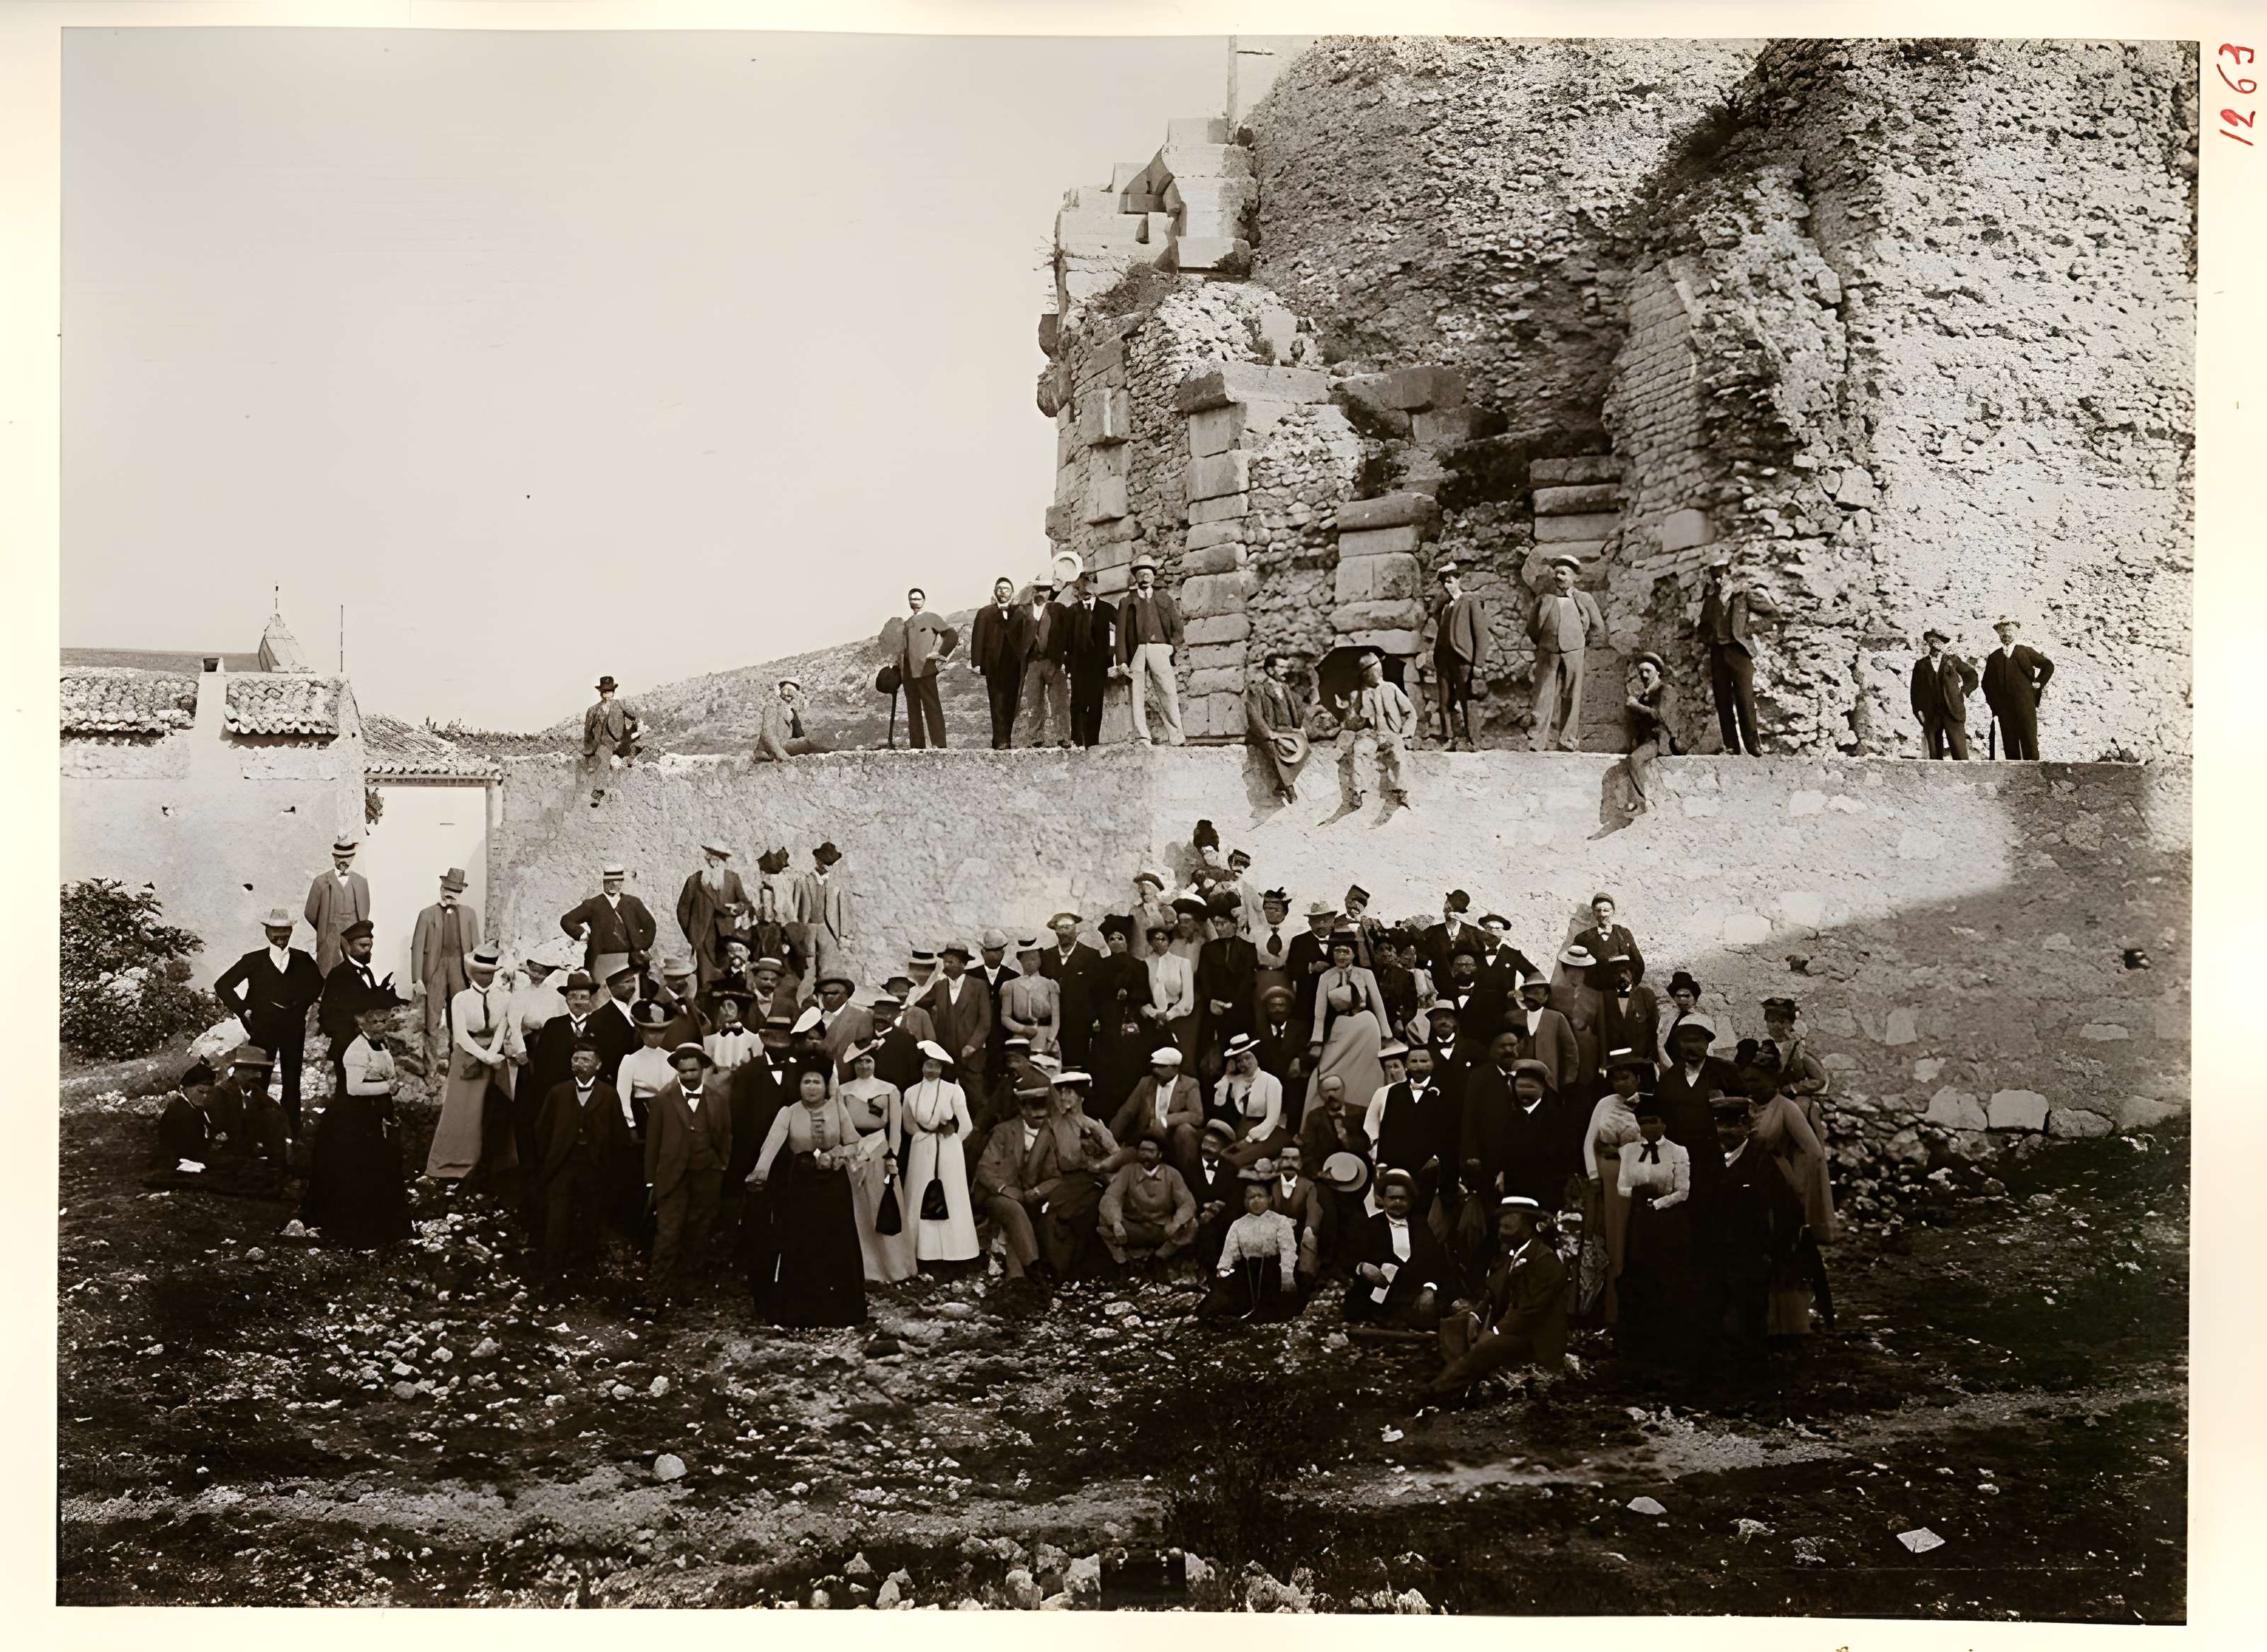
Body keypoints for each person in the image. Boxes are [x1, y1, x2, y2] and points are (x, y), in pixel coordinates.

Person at [749, 1060, 869, 1326]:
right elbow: (771, 1146)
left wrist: (836, 1154)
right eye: (806, 1082)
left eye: (817, 1082)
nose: (812, 1088)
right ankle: (803, 1310)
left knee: (836, 1242)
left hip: (834, 1189)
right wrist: (760, 1173)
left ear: (826, 1086)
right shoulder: (788, 1112)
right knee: (802, 1243)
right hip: (801, 1189)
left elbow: (854, 1143)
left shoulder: (838, 1109)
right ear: (798, 1086)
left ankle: (840, 1310)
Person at [1423, 1197, 1568, 1398]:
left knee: (1489, 1347)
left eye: (1511, 1216)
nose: (1503, 1222)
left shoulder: (1545, 1260)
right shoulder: (1509, 1255)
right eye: (1501, 1216)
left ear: (1528, 1222)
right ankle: (1462, 1380)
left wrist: (1495, 1331)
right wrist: (1476, 1315)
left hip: (1534, 1339)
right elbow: (1492, 1292)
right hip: (1511, 1326)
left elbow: (1530, 1312)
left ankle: (1435, 1391)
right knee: (1454, 1325)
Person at [302, 996, 412, 1248]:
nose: (380, 1026)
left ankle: (383, 1223)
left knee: (381, 1166)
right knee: (357, 1168)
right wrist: (388, 1087)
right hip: (354, 1117)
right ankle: (355, 1225)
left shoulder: (382, 1046)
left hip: (377, 1113)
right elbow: (353, 1088)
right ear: (363, 1023)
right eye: (375, 1021)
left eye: (385, 1020)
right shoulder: (356, 1050)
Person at [1705, 1097, 1806, 1367]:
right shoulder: (1707, 1159)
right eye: (1719, 1126)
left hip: (1751, 1248)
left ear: (1746, 1126)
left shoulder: (1762, 1162)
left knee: (1751, 1304)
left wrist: (1779, 1248)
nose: (1725, 1133)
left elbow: (1789, 1208)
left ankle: (1753, 1361)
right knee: (1716, 1301)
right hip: (1714, 1247)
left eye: (1732, 1126)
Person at [213, 907, 325, 1136]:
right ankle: (256, 1128)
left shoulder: (303, 959)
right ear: (267, 931)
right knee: (258, 1079)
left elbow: (317, 984)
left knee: (292, 1080)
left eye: (285, 930)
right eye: (276, 930)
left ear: (292, 930)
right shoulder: (253, 961)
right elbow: (223, 985)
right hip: (262, 1028)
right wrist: (244, 1011)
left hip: (293, 1028)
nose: (281, 936)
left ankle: (291, 1129)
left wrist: (301, 1006)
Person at [528, 1038, 630, 1281]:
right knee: (557, 1223)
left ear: (598, 1065)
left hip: (594, 1169)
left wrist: (608, 1168)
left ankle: (586, 1278)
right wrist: (550, 1160)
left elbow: (619, 1137)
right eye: (576, 1059)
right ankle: (552, 1279)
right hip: (562, 1168)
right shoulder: (558, 1093)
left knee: (591, 1222)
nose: (580, 1064)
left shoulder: (608, 1096)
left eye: (586, 1060)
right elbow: (542, 1132)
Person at [425, 946, 521, 1187]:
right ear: (470, 974)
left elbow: (503, 1027)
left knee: (497, 1106)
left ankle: (497, 1162)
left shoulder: (506, 997)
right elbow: (460, 1036)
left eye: (489, 972)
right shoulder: (461, 999)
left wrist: (493, 1053)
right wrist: (484, 1057)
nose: (485, 977)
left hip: (494, 1056)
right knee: (464, 1109)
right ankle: (453, 1162)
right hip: (468, 1057)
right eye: (480, 972)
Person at [1615, 1094, 1695, 1365]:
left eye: (1655, 1121)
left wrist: (1657, 1203)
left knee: (1669, 1273)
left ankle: (1671, 1338)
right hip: (1639, 1221)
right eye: (1644, 1121)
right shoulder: (1627, 1151)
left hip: (1669, 1220)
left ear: (1664, 1124)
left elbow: (1683, 1191)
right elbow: (1622, 1186)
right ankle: (1641, 1338)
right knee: (1639, 1271)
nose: (1649, 1127)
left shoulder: (1678, 1151)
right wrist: (1637, 1196)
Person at [1024, 1070, 1123, 1276]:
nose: (1064, 1098)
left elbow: (1117, 1158)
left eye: (1070, 1093)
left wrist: (1098, 1163)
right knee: (1053, 1215)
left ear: (1081, 1096)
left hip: (1093, 1183)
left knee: (1090, 1212)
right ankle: (1057, 1270)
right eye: (1061, 1093)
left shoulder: (1094, 1126)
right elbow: (1034, 1164)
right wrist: (1031, 1185)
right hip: (1064, 1182)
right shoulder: (1053, 1124)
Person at [1578, 1051, 1649, 1324]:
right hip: (1610, 1177)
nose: (1621, 1084)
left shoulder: (1649, 1106)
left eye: (1626, 1078)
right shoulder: (1605, 1104)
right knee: (1612, 1239)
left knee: (1636, 1238)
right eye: (1616, 1079)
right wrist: (1594, 1176)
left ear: (1638, 1079)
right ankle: (1610, 1312)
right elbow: (1589, 1142)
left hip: (1639, 1177)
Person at [837, 1043, 915, 1284]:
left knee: (883, 1205)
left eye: (868, 1060)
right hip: (854, 1152)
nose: (863, 1065)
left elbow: (896, 1128)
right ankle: (861, 1267)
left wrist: (893, 1155)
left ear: (875, 1062)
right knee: (856, 1208)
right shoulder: (842, 1090)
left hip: (880, 1151)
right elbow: (841, 1126)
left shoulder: (889, 1089)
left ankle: (892, 1267)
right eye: (859, 1061)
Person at [1462, 1048, 1576, 1212]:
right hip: (1514, 1189)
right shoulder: (1513, 1116)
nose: (1525, 1092)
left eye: (1530, 1086)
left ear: (1543, 1088)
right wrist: (1502, 1172)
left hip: (1546, 1188)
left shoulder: (1556, 1117)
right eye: (1520, 1086)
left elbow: (1563, 1155)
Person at [900, 1042, 979, 1266]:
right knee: (919, 1194)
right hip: (921, 1150)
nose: (932, 1070)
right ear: (922, 1067)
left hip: (947, 1152)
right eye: (928, 1065)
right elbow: (908, 1123)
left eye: (936, 1066)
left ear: (943, 1068)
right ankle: (921, 1251)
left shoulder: (953, 1090)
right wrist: (922, 1137)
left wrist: (951, 1144)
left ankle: (955, 1251)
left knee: (951, 1195)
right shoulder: (910, 1092)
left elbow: (966, 1125)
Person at [1344, 1169, 1452, 1329]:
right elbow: (1347, 1257)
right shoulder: (1368, 1226)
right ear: (1383, 1200)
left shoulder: (1422, 1227)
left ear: (1410, 1201)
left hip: (1413, 1297)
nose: (1397, 1203)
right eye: (1392, 1198)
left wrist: (1430, 1289)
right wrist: (1362, 1267)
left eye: (1402, 1199)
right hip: (1377, 1298)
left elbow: (1438, 1264)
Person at [1304, 933, 1388, 1128]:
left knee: (1369, 1074)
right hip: (1340, 1028)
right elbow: (1320, 1012)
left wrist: (1387, 1036)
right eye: (1338, 951)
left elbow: (1379, 1006)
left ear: (1353, 954)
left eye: (1346, 952)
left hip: (1366, 1028)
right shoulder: (1326, 976)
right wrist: (1316, 1041)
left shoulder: (1366, 974)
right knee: (1324, 1071)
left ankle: (1368, 1122)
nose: (1341, 956)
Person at [1697, 558, 1778, 755]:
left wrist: (1750, 630)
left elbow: (1773, 615)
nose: (1719, 578)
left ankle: (1753, 745)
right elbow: (1703, 625)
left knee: (1744, 697)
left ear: (1729, 573)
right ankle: (1731, 746)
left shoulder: (1743, 594)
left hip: (1739, 651)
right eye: (1715, 573)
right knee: (1722, 700)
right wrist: (1708, 638)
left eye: (1723, 573)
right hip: (1717, 652)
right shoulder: (1710, 598)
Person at [973, 1083, 1054, 1281]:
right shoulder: (1003, 1131)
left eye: (1044, 1113)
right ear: (1023, 1109)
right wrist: (1004, 1188)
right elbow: (984, 1168)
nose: (1040, 1116)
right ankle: (1033, 1266)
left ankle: (1017, 1277)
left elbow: (1056, 1176)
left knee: (1022, 1219)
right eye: (1035, 1111)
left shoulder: (1052, 1134)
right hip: (997, 1195)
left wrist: (1037, 1192)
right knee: (1014, 1209)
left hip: (1033, 1194)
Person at [1367, 1041, 1457, 1218]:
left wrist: (1439, 1159)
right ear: (1407, 1066)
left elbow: (1450, 1131)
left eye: (1424, 1061)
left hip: (1430, 1166)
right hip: (1398, 1164)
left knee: (1424, 1214)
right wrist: (1383, 1162)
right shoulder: (1395, 1092)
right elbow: (1387, 1127)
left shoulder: (1446, 1092)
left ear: (1433, 1064)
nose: (1419, 1066)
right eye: (1414, 1061)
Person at [1527, 553, 1606, 752]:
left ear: (1574, 577)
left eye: (1563, 573)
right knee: (1543, 696)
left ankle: (1567, 741)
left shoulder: (1584, 599)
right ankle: (1537, 741)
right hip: (1548, 652)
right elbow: (1532, 627)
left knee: (1572, 695)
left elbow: (1598, 627)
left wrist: (1580, 643)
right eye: (1556, 573)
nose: (1559, 577)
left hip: (1574, 653)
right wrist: (1544, 643)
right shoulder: (1544, 599)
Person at [1201, 1170, 1301, 1321]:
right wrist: (1224, 1269)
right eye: (1250, 1197)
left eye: (1260, 1197)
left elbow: (1288, 1249)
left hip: (1273, 1270)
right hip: (1246, 1270)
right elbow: (1230, 1251)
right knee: (1218, 1305)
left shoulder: (1280, 1222)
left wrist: (1287, 1274)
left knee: (1277, 1307)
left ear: (1270, 1199)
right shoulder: (1238, 1224)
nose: (1255, 1201)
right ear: (1244, 1202)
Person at [317, 919, 395, 1099]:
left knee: (368, 1097)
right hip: (347, 1048)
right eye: (363, 946)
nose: (368, 950)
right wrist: (346, 1037)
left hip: (367, 1047)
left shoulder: (367, 973)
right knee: (347, 1097)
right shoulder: (338, 975)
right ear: (349, 947)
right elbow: (326, 1015)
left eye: (370, 946)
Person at [1114, 557, 1187, 746]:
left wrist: (1172, 646)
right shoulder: (1127, 601)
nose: (1145, 577)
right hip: (1138, 650)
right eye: (1141, 574)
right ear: (1135, 577)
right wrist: (1122, 660)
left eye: (1148, 574)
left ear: (1154, 577)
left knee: (1168, 690)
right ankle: (1142, 735)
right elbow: (1120, 633)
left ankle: (1177, 736)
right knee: (1136, 693)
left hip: (1160, 649)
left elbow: (1178, 628)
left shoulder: (1164, 599)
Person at [1107, 1046, 1204, 1182]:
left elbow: (1197, 1116)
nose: (1155, 1070)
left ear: (1175, 1068)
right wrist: (1109, 1136)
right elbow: (1127, 1112)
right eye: (1155, 1066)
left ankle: (1190, 1181)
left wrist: (1165, 1121)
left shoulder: (1190, 1084)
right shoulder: (1146, 1083)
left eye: (1161, 1067)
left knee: (1185, 1130)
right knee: (1112, 1163)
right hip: (1148, 1137)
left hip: (1175, 1139)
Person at [922, 939, 993, 1121]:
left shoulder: (979, 986)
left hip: (971, 1056)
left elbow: (985, 1022)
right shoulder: (939, 986)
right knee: (944, 1102)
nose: (946, 966)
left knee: (977, 1101)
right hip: (946, 1057)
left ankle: (979, 1138)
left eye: (951, 962)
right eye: (944, 962)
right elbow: (920, 1006)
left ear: (963, 964)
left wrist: (972, 1045)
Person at [1335, 650, 1417, 807]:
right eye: (1371, 670)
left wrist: (1406, 735)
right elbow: (1352, 724)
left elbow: (1410, 713)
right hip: (1372, 735)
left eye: (1376, 667)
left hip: (1391, 733)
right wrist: (1351, 713)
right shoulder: (1361, 694)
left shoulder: (1391, 688)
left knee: (1398, 752)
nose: (1376, 672)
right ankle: (1358, 792)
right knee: (1359, 749)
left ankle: (1402, 791)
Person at [1099, 1136, 1198, 1267]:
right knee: (1104, 1220)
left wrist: (1177, 1222)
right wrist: (1116, 1222)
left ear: (1160, 1154)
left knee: (1191, 1224)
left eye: (1151, 1151)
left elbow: (1188, 1203)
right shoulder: (1127, 1171)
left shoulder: (1172, 1174)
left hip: (1161, 1228)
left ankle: (1159, 1259)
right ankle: (1122, 1262)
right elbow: (1111, 1197)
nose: (1146, 1155)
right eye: (1142, 1150)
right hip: (1133, 1227)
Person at [1194, 895, 1258, 1077]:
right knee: (1212, 1061)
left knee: (1240, 1057)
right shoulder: (1208, 949)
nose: (1219, 928)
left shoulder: (1248, 948)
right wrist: (1211, 1001)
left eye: (1223, 923)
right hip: (1213, 1011)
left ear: (1234, 924)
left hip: (1240, 1011)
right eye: (1216, 924)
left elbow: (1248, 981)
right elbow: (1203, 978)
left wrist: (1233, 1005)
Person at [560, 864, 658, 981]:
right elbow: (567, 920)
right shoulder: (593, 904)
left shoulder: (633, 903)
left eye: (617, 881)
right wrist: (584, 935)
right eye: (609, 881)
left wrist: (641, 945)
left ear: (622, 883)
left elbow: (650, 926)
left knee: (630, 992)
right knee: (602, 994)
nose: (613, 885)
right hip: (601, 960)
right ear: (604, 882)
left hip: (631, 960)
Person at [1429, 562, 1488, 749]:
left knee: (1466, 698)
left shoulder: (1470, 601)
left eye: (1452, 580)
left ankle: (1473, 740)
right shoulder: (1445, 606)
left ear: (1459, 579)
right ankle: (1449, 739)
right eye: (1445, 582)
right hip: (1444, 660)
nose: (1449, 584)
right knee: (1445, 701)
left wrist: (1478, 663)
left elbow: (1481, 634)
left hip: (1463, 659)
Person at [677, 841, 750, 990]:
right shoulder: (695, 881)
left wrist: (737, 908)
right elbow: (682, 911)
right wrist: (692, 933)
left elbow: (745, 903)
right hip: (703, 937)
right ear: (707, 858)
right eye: (712, 857)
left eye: (720, 858)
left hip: (727, 937)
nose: (714, 861)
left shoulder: (732, 879)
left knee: (729, 979)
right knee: (706, 981)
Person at [1981, 617, 2054, 759]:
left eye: (2010, 632)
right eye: (2003, 632)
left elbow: (2048, 665)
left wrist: (2039, 683)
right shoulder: (1994, 657)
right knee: (2010, 742)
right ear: (1999, 636)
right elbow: (1986, 684)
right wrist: (1995, 705)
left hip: (2025, 704)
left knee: (2029, 740)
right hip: (2004, 708)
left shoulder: (2024, 651)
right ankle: (2014, 775)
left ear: (2016, 634)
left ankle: (2033, 773)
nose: (2006, 635)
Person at [1245, 651, 1314, 802]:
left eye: (1286, 667)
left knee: (1304, 747)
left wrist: (1300, 727)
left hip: (1286, 730)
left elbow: (1297, 709)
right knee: (1275, 750)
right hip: (1269, 732)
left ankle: (1281, 785)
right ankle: (1289, 788)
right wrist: (1268, 733)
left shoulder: (1285, 688)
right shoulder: (1258, 689)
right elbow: (1254, 715)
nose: (1285, 671)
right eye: (1281, 667)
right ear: (1270, 670)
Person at [968, 575, 1027, 749]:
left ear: (1013, 592)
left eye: (1007, 589)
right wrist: (977, 662)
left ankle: (1005, 738)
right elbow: (977, 638)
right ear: (995, 592)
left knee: (1011, 702)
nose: (1003, 592)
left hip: (1015, 664)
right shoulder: (985, 612)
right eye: (1000, 588)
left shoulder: (1020, 612)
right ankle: (1000, 740)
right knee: (997, 701)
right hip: (994, 663)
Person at [1214, 1033, 1288, 1169]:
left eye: (1248, 1058)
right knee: (1221, 1158)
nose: (1244, 1064)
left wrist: (1248, 1140)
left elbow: (1272, 1119)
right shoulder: (1235, 1082)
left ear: (1256, 1058)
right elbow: (1218, 1103)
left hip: (1268, 1134)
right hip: (1241, 1134)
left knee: (1235, 1161)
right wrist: (1227, 1075)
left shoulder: (1271, 1081)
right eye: (1239, 1061)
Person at [1016, 572, 1073, 748]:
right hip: (1033, 662)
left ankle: (1063, 737)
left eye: (1047, 589)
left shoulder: (1059, 609)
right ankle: (1035, 738)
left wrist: (1065, 658)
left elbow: (1068, 634)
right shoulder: (1025, 611)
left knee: (1059, 701)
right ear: (1034, 590)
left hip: (1054, 661)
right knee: (1034, 701)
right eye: (1040, 589)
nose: (1044, 593)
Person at [1623, 651, 1683, 814]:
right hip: (1648, 740)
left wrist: (1637, 707)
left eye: (1648, 671)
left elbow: (1660, 716)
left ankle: (1639, 802)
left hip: (1660, 740)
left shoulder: (1666, 691)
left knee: (1635, 759)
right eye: (1641, 671)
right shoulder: (1644, 696)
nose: (1643, 675)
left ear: (1658, 672)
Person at [898, 587, 957, 749]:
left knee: (932, 708)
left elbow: (952, 635)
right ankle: (917, 747)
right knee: (913, 710)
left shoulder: (932, 618)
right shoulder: (907, 622)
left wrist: (940, 653)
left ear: (924, 600)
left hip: (926, 670)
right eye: (912, 599)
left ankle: (939, 745)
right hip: (909, 673)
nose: (914, 602)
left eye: (917, 599)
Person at [1063, 572, 1118, 748]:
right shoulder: (1072, 611)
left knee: (1096, 703)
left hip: (1099, 665)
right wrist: (1069, 668)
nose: (1086, 592)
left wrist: (1113, 656)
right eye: (1082, 588)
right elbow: (1068, 642)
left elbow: (1120, 631)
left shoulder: (1107, 609)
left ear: (1096, 590)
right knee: (1077, 703)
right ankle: (1077, 741)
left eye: (1089, 588)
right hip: (1078, 666)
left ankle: (1093, 743)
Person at [303, 837, 371, 977]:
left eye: (348, 857)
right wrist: (324, 927)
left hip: (352, 937)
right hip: (330, 936)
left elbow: (365, 912)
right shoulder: (321, 882)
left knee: (353, 970)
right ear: (334, 857)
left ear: (353, 857)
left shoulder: (361, 882)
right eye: (339, 857)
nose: (343, 861)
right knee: (328, 970)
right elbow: (310, 913)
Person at [1909, 626, 1981, 759]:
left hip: (1953, 711)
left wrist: (1964, 692)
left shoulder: (1953, 661)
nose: (1933, 643)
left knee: (1960, 755)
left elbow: (1972, 676)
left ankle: (1965, 779)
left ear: (1943, 643)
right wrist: (1919, 713)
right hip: (1931, 714)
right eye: (1930, 641)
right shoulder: (1921, 665)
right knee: (1934, 756)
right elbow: (1915, 692)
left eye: (1937, 640)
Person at [1265, 1141, 1328, 1285]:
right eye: (1286, 1158)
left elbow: (1314, 1211)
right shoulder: (1270, 1184)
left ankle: (1305, 1278)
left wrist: (1310, 1228)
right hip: (1272, 1229)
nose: (1289, 1163)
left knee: (1310, 1235)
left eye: (1294, 1159)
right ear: (1279, 1161)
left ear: (1301, 1163)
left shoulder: (1308, 1186)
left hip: (1298, 1231)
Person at [792, 842, 855, 985]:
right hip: (808, 927)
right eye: (825, 861)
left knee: (827, 963)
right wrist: (795, 929)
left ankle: (824, 993)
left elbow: (843, 909)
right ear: (817, 860)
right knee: (808, 962)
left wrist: (843, 934)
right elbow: (795, 909)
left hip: (828, 928)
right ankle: (807, 993)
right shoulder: (803, 881)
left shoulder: (836, 884)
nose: (827, 866)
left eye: (830, 863)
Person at [1510, 970, 1581, 1097]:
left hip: (1549, 1080)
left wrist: (1568, 1081)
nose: (1531, 996)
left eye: (1538, 992)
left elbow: (1571, 1053)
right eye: (1528, 992)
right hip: (1520, 1081)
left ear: (1546, 996)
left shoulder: (1556, 1018)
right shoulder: (1514, 1018)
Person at [1595, 954, 1659, 1093]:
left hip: (1641, 1063)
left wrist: (1651, 1060)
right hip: (1615, 1066)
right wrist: (1604, 1063)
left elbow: (1652, 1030)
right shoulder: (1604, 997)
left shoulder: (1645, 995)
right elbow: (1601, 1031)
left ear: (1632, 974)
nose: (1621, 976)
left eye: (1625, 972)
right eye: (1617, 973)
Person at [1039, 911, 1097, 1061]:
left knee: (1077, 1063)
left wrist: (1093, 1019)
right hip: (1052, 1024)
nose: (1063, 932)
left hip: (1080, 1024)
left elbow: (1096, 991)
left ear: (1075, 929)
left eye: (1067, 927)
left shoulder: (1091, 956)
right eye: (1059, 929)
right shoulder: (1045, 957)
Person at [1141, 920, 1197, 1063]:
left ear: (1169, 941)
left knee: (1180, 1058)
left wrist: (1169, 1015)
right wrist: (1154, 1014)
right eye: (1155, 939)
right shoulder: (1143, 964)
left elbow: (1188, 998)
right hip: (1152, 1019)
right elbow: (1140, 995)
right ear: (1150, 942)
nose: (1159, 943)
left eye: (1163, 939)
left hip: (1178, 1018)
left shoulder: (1182, 963)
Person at [1000, 937, 1062, 1063]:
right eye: (1025, 959)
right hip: (1020, 1036)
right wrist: (1022, 1029)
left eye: (1034, 959)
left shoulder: (1050, 984)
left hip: (1044, 1036)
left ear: (1040, 960)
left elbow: (1056, 1017)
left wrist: (1050, 1039)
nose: (1030, 963)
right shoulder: (1010, 985)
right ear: (1020, 961)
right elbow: (1005, 1017)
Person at [582, 674, 640, 802]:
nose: (608, 694)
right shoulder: (593, 710)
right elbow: (587, 733)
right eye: (605, 691)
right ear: (601, 693)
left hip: (621, 742)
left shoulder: (620, 705)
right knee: (604, 761)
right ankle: (598, 792)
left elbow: (636, 718)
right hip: (604, 743)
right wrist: (588, 752)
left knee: (634, 752)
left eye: (610, 691)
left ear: (614, 692)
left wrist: (635, 731)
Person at [156, 1060, 223, 1166]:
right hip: (181, 1166)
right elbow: (191, 1149)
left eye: (208, 1093)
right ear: (186, 1089)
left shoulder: (196, 1107)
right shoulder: (179, 1112)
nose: (205, 1097)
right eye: (201, 1092)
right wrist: (214, 1144)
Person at [754, 677, 826, 760]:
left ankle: (833, 751)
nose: (790, 695)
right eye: (787, 690)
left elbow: (799, 734)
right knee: (805, 743)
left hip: (784, 745)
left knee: (807, 742)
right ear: (781, 691)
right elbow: (767, 735)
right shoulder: (773, 705)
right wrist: (783, 756)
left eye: (792, 692)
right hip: (770, 750)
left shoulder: (791, 710)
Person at [703, 989, 762, 1081]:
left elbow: (759, 1069)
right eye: (723, 1007)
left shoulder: (754, 1040)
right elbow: (706, 1071)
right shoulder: (709, 1041)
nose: (727, 1011)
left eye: (731, 1007)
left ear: (741, 1013)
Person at [1660, 970, 1703, 1067]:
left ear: (1695, 999)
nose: (1682, 1000)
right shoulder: (1669, 1020)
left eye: (1687, 996)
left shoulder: (1700, 1021)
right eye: (1678, 996)